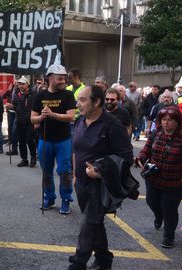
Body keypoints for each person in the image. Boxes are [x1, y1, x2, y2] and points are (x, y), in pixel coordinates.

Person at [68, 84, 133, 270]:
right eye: (78, 99)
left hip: (101, 185)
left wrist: (100, 172)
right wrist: (75, 174)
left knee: (88, 224)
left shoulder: (112, 125)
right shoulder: (80, 121)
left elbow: (127, 158)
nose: (78, 103)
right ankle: (104, 261)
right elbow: (76, 150)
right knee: (95, 224)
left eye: (82, 100)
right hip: (81, 183)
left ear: (96, 102)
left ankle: (77, 264)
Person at [135, 107, 182, 248]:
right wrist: (140, 158)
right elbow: (146, 149)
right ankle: (159, 216)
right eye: (164, 120)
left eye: (170, 120)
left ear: (177, 122)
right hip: (154, 178)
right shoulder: (155, 133)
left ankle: (168, 237)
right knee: (152, 201)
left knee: (169, 208)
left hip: (175, 182)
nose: (166, 123)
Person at [31, 64, 76, 214]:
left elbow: (71, 116)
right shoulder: (40, 96)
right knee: (46, 171)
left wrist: (53, 115)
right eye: (60, 78)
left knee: (65, 171)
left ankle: (66, 199)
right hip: (45, 140)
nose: (63, 81)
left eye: (64, 78)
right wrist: (41, 117)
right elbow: (32, 119)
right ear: (50, 78)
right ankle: (49, 197)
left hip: (63, 140)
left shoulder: (68, 95)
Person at [7, 76, 37, 168]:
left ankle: (33, 157)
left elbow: (36, 107)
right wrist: (10, 106)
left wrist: (36, 120)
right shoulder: (16, 94)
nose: (20, 86)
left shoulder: (33, 94)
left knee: (29, 140)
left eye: (23, 84)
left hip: (30, 121)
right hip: (19, 120)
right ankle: (24, 159)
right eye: (19, 84)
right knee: (21, 141)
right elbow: (15, 106)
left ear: (27, 84)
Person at [2, 83, 19, 156]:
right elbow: (3, 96)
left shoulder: (19, 91)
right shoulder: (10, 91)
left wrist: (13, 106)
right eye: (14, 83)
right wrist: (8, 90)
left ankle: (15, 146)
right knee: (10, 128)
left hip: (16, 113)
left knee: (14, 130)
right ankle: (11, 141)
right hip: (10, 112)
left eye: (17, 83)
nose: (15, 85)